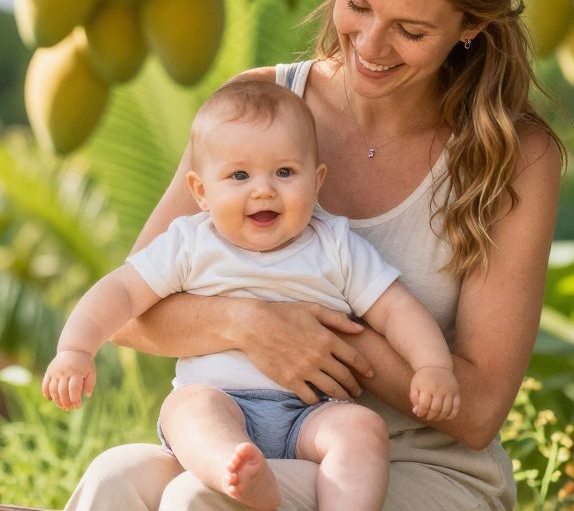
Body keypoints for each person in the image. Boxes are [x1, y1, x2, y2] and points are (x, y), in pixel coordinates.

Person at [66, 0, 566, 511]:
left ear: (472, 25)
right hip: (248, 438)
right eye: (357, 4)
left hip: (417, 471)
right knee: (113, 481)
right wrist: (251, 323)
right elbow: (133, 312)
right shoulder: (259, 106)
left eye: (411, 31)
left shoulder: (516, 156)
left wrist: (319, 340)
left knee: (200, 500)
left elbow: (478, 412)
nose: (371, 45)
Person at [44, 79, 461, 511]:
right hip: (222, 400)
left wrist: (431, 365)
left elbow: (396, 308)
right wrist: (75, 349)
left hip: (309, 415)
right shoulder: (191, 243)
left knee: (361, 429)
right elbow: (122, 294)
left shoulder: (334, 245)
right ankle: (233, 467)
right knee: (191, 407)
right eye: (239, 175)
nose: (263, 189)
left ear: (316, 181)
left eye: (284, 172)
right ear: (201, 192)